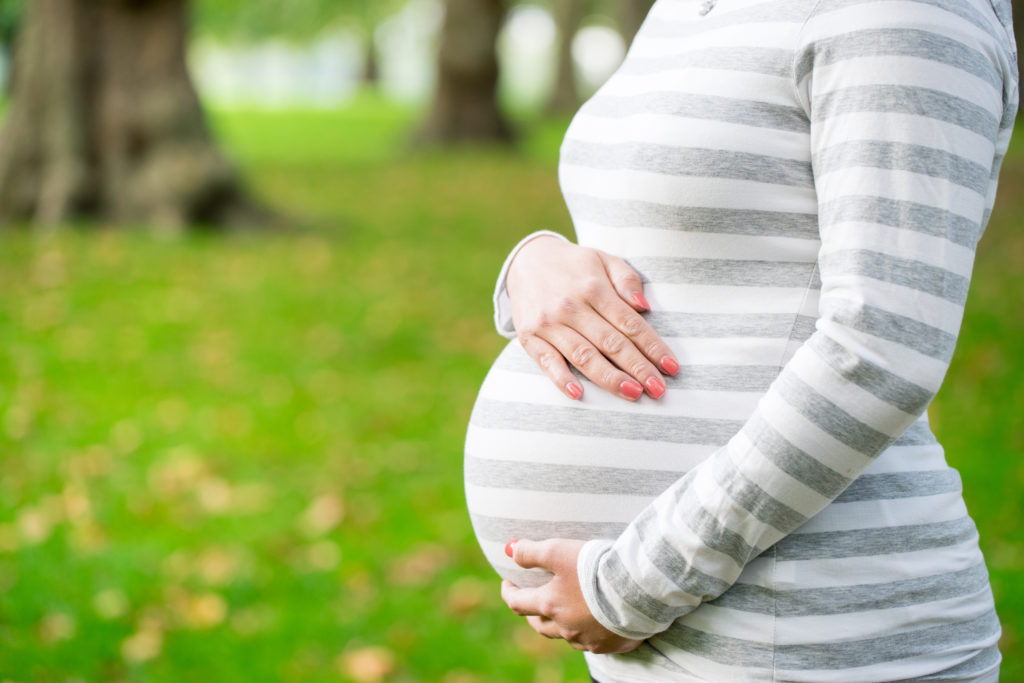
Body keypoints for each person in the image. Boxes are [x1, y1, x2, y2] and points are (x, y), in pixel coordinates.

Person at [463, 0, 1018, 680]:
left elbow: (882, 346)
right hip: (674, 637)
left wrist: (633, 585)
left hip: (813, 637)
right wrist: (532, 265)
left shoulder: (901, 13)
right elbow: (679, 241)